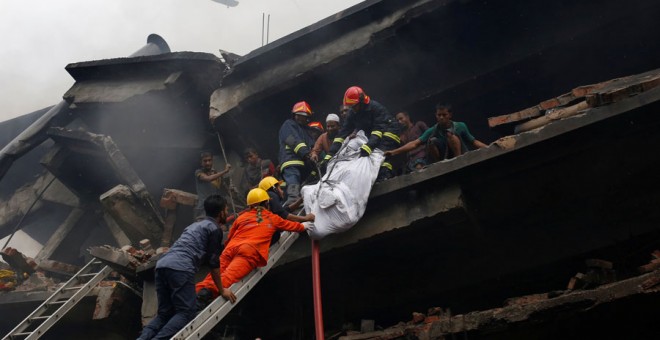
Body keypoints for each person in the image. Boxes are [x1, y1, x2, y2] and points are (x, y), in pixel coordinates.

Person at [137, 195, 237, 340]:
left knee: (165, 314)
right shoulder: (214, 229)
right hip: (181, 267)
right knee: (187, 312)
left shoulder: (194, 225)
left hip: (162, 264)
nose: (227, 213)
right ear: (221, 212)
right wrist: (222, 290)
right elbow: (214, 264)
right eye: (226, 209)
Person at [194, 188, 313, 301]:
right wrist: (304, 226)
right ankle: (206, 295)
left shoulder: (242, 217)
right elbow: (290, 225)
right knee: (229, 276)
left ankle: (197, 292)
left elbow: (230, 236)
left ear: (250, 205)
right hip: (249, 251)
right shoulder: (272, 217)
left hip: (231, 248)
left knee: (213, 275)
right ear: (266, 203)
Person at [324, 86, 402, 181]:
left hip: (389, 133)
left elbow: (378, 129)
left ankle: (386, 176)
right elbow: (342, 135)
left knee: (380, 156)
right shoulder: (353, 113)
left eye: (354, 106)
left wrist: (369, 146)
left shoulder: (375, 108)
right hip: (375, 135)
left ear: (361, 102)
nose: (353, 109)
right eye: (350, 106)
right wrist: (330, 155)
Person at [385, 104, 488, 162]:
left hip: (461, 155)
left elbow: (474, 142)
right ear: (436, 116)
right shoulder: (433, 130)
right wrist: (393, 152)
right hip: (445, 158)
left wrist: (489, 148)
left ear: (450, 115)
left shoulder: (460, 126)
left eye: (444, 114)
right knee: (431, 141)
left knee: (450, 135)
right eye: (439, 115)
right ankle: (440, 163)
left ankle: (458, 160)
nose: (441, 117)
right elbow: (415, 143)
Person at [278, 101, 317, 207]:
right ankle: (292, 200)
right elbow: (292, 140)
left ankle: (299, 200)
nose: (302, 118)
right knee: (293, 179)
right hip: (290, 160)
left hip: (303, 162)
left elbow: (311, 144)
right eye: (300, 115)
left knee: (303, 183)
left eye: (305, 116)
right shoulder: (288, 125)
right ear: (295, 115)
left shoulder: (305, 130)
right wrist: (305, 153)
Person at [194, 152, 231, 220]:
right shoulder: (198, 172)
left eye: (209, 160)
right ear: (201, 162)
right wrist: (225, 171)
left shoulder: (215, 173)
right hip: (204, 208)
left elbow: (224, 188)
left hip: (215, 206)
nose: (207, 163)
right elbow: (208, 178)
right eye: (205, 161)